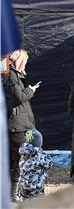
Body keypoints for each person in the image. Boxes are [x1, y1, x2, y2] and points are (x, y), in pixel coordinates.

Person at [2, 49, 40, 200]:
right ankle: (12, 194)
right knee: (20, 160)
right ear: (18, 59)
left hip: (25, 124)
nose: (26, 64)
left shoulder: (15, 73)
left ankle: (18, 192)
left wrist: (23, 75)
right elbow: (18, 97)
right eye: (24, 60)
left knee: (23, 159)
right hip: (17, 126)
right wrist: (30, 90)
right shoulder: (9, 74)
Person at [17, 129, 52, 201]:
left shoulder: (23, 154)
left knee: (25, 202)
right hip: (36, 186)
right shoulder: (39, 154)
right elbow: (49, 164)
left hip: (24, 185)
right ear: (39, 142)